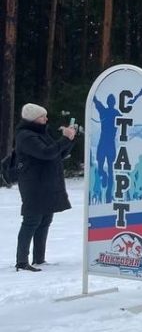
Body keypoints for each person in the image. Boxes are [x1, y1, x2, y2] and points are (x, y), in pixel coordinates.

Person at [14, 103, 76, 271]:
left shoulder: (41, 133)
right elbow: (45, 153)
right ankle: (21, 261)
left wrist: (69, 140)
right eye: (43, 116)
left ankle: (39, 258)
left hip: (47, 183)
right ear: (33, 118)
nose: (46, 119)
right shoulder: (25, 136)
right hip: (33, 185)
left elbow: (58, 154)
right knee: (31, 221)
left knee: (45, 220)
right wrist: (64, 139)